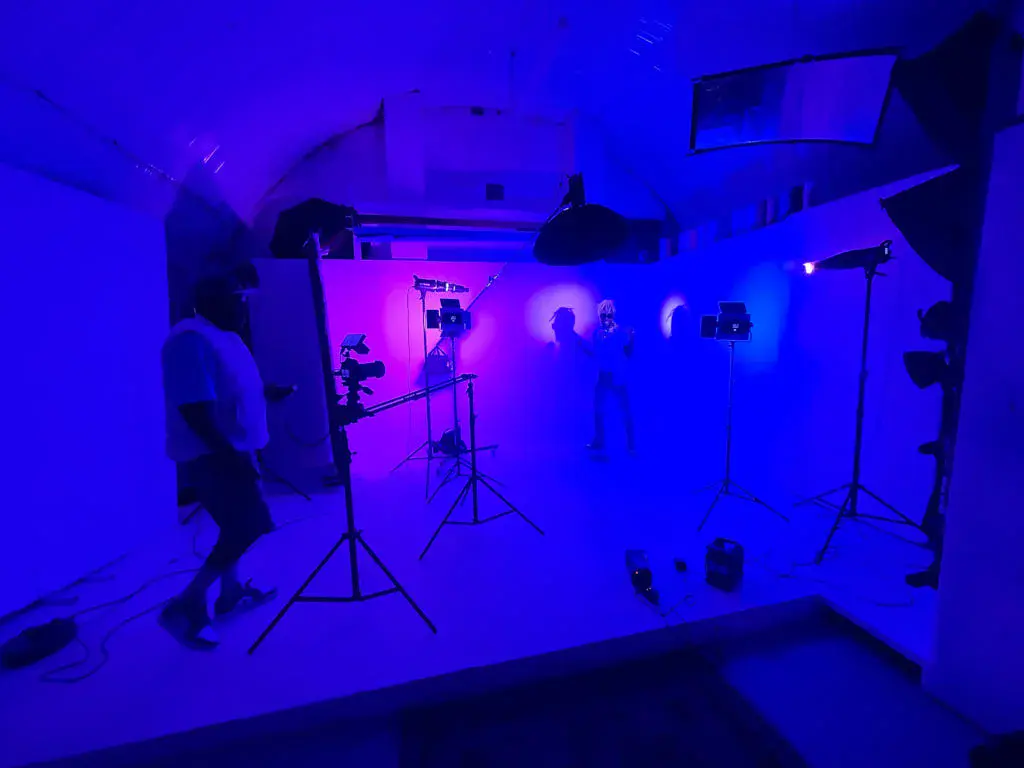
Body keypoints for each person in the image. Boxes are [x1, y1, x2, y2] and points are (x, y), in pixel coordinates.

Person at [159, 265, 286, 648]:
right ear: (215, 302)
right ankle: (189, 601)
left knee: (235, 525)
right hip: (214, 454)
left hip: (234, 449)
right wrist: (232, 459)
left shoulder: (223, 337)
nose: (245, 308)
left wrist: (266, 392)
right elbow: (195, 410)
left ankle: (230, 592)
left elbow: (230, 388)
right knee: (250, 525)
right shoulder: (190, 341)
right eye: (239, 300)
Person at [583, 299, 636, 453]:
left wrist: (632, 339)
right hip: (604, 376)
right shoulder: (597, 334)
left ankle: (630, 443)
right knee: (599, 409)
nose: (606, 318)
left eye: (609, 315)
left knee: (623, 410)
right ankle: (601, 440)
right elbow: (596, 354)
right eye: (603, 315)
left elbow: (628, 353)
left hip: (617, 376)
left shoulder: (620, 332)